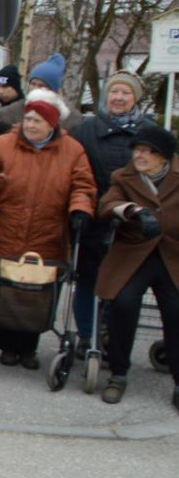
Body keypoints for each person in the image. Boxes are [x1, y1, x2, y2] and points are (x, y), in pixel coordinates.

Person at [0, 92, 95, 368]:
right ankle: (6, 346)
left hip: (48, 233)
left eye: (37, 120)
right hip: (7, 229)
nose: (30, 124)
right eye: (27, 119)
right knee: (9, 288)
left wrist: (80, 209)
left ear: (52, 124)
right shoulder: (4, 144)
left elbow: (83, 186)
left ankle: (28, 349)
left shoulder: (73, 151)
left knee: (37, 292)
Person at [94, 122, 177, 410]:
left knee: (176, 311)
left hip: (172, 255)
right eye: (137, 149)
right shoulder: (124, 176)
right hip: (134, 253)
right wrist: (133, 210)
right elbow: (107, 204)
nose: (139, 155)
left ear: (163, 156)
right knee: (123, 303)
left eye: (147, 151)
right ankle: (117, 374)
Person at [71, 72, 146, 348]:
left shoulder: (148, 132)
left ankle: (111, 337)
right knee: (88, 279)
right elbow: (74, 171)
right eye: (114, 92)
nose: (119, 98)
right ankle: (86, 335)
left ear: (135, 98)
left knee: (123, 284)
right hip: (92, 219)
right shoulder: (85, 130)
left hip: (132, 223)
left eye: (126, 93)